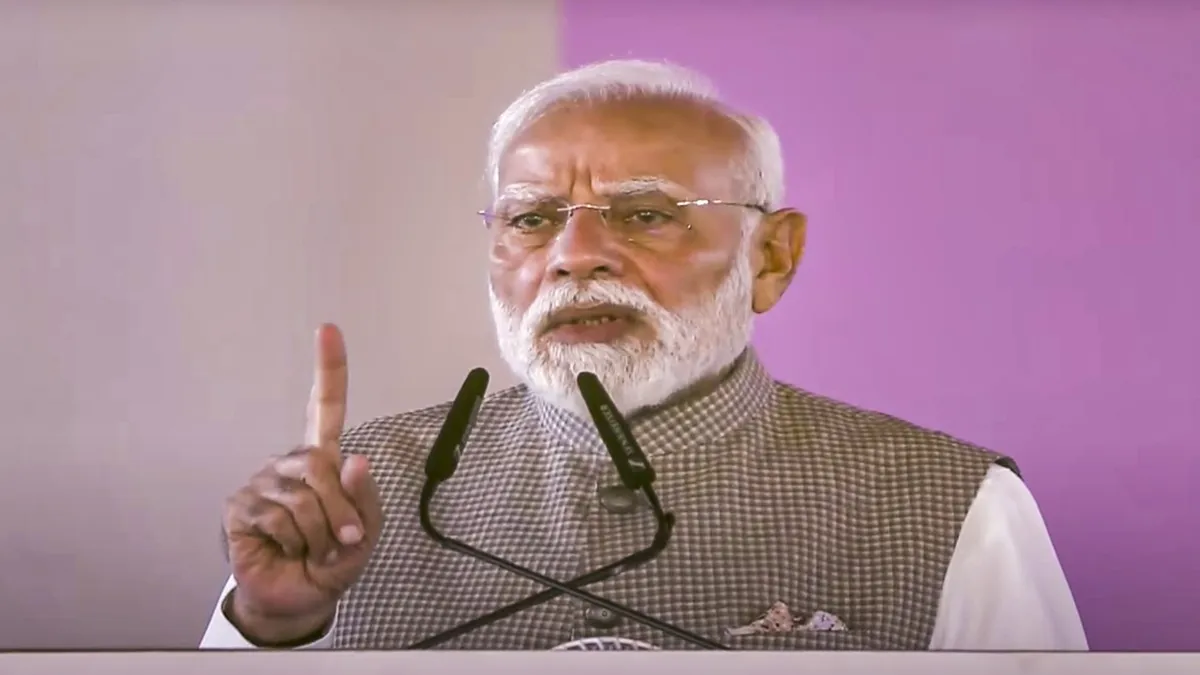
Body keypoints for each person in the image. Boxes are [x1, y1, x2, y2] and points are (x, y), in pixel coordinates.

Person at [199, 59, 1088, 651]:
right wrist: (271, 624)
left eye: (647, 214)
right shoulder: (348, 499)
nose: (574, 255)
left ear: (772, 257)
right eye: (532, 217)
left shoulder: (950, 506)